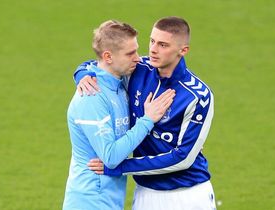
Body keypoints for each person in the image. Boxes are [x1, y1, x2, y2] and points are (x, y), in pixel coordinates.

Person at [75, 16, 216, 210]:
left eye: (163, 45)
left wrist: (120, 167)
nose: (153, 49)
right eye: (152, 41)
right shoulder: (138, 69)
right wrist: (82, 74)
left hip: (188, 194)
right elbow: (102, 61)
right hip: (145, 194)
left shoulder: (197, 96)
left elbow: (183, 157)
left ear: (183, 50)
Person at [62, 20, 175, 210]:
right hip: (89, 201)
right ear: (108, 56)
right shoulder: (92, 96)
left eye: (137, 50)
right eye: (130, 53)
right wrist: (147, 120)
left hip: (109, 198)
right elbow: (111, 157)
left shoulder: (120, 82)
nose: (138, 58)